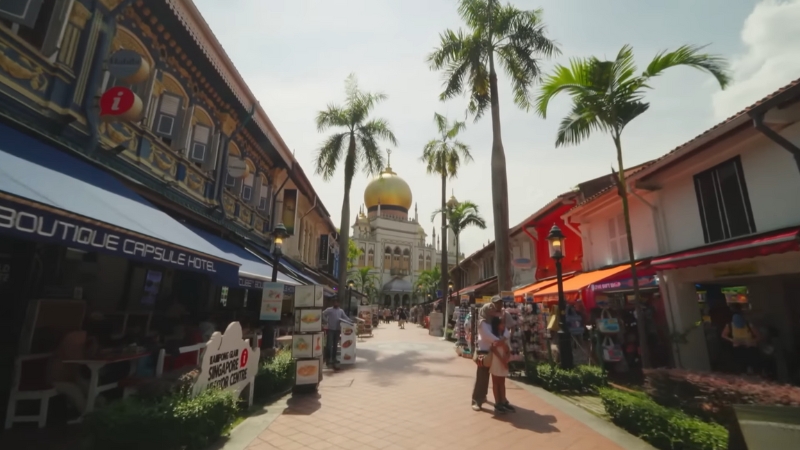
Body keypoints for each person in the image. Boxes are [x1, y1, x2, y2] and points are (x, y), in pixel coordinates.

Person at [472, 297, 510, 414]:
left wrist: (502, 339)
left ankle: (501, 400)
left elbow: (506, 331)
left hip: (495, 352)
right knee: (482, 377)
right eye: (490, 308)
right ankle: (477, 400)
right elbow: (486, 335)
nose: (493, 310)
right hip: (485, 352)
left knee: (497, 378)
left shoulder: (495, 321)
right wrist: (499, 341)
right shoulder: (482, 322)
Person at [721, 304, 760, 374]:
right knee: (741, 366)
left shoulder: (749, 325)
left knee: (754, 365)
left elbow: (759, 336)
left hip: (750, 348)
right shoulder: (730, 325)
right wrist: (732, 340)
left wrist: (751, 341)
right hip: (738, 349)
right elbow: (723, 335)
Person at [489, 314, 514, 412]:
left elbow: (508, 348)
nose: (503, 325)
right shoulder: (492, 336)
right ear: (497, 325)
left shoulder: (504, 336)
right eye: (501, 323)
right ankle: (497, 402)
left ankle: (503, 400)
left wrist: (506, 358)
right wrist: (502, 360)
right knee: (496, 382)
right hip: (496, 361)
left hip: (503, 360)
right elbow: (493, 349)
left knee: (502, 382)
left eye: (504, 323)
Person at [323, 300, 351, 368]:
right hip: (330, 330)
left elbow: (345, 317)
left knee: (335, 345)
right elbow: (322, 314)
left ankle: (334, 358)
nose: (336, 303)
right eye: (335, 302)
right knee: (329, 345)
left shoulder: (341, 311)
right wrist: (326, 321)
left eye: (337, 302)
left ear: (339, 303)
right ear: (333, 303)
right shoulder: (329, 310)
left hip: (337, 330)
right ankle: (328, 359)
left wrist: (350, 321)